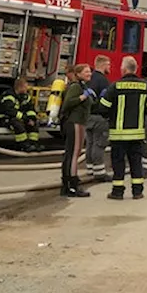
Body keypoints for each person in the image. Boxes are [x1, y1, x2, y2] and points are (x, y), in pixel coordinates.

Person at [99, 56, 147, 200]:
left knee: (118, 163)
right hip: (137, 134)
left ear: (125, 69)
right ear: (136, 69)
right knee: (136, 163)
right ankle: (137, 191)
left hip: (118, 135)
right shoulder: (145, 86)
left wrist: (110, 114)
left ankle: (118, 191)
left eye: (121, 67)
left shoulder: (115, 86)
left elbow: (103, 108)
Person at [57, 64, 92, 198]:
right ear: (78, 73)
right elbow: (67, 104)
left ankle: (68, 184)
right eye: (86, 71)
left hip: (79, 122)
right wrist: (83, 97)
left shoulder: (82, 86)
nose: (89, 73)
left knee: (73, 153)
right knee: (73, 154)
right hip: (75, 122)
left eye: (90, 71)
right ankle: (71, 185)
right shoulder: (76, 87)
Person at [85, 56, 112, 181]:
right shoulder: (103, 81)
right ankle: (99, 172)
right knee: (99, 144)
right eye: (108, 65)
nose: (109, 67)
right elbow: (105, 100)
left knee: (89, 144)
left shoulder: (89, 79)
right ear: (103, 65)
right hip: (99, 117)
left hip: (88, 116)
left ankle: (90, 169)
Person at [1, 77, 41, 152]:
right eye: (25, 87)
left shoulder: (26, 96)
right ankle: (23, 145)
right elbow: (9, 111)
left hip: (21, 118)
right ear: (20, 87)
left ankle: (33, 144)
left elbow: (30, 109)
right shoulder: (9, 96)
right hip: (7, 118)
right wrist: (25, 119)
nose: (27, 89)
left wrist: (31, 118)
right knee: (18, 124)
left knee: (34, 125)